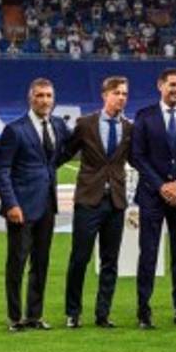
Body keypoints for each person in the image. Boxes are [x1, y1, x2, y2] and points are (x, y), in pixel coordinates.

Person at [0, 77, 70, 331]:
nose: (45, 100)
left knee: (41, 262)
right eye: (40, 95)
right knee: (17, 262)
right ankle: (15, 318)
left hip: (47, 204)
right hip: (21, 208)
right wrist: (11, 204)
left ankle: (34, 316)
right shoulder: (15, 130)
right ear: (30, 98)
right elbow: (1, 171)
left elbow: (57, 158)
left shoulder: (58, 125)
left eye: (48, 95)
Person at [130, 67, 176, 329]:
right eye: (172, 85)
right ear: (160, 86)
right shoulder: (145, 116)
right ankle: (143, 312)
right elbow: (137, 156)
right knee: (148, 254)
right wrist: (163, 185)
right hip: (152, 195)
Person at [62, 75, 132, 329]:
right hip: (88, 200)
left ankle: (103, 313)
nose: (121, 98)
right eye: (117, 93)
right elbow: (64, 153)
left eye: (124, 94)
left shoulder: (129, 128)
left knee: (110, 261)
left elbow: (137, 159)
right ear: (105, 95)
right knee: (79, 258)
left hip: (115, 202)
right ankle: (73, 312)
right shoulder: (85, 124)